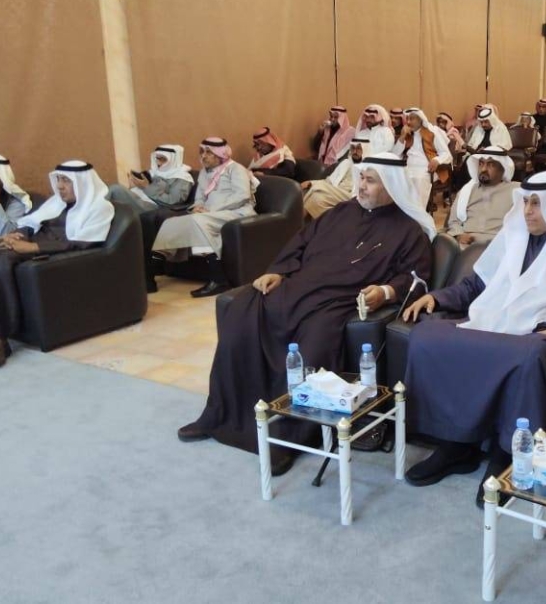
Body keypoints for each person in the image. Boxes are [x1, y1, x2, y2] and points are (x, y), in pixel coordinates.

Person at [177, 153, 435, 468]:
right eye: (361, 178)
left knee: (316, 340)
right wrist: (278, 271)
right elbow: (299, 243)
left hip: (338, 300)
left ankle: (288, 438)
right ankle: (218, 413)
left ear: (392, 186)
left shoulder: (409, 230)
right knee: (242, 311)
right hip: (300, 285)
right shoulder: (340, 212)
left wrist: (384, 292)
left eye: (370, 181)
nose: (361, 186)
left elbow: (415, 278)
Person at [400, 169, 546, 505]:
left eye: (537, 203)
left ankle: (507, 455)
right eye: (525, 202)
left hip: (536, 330)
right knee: (425, 337)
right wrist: (437, 297)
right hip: (493, 320)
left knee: (527, 356)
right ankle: (455, 443)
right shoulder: (513, 234)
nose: (528, 211)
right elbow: (476, 285)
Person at [0, 160, 113, 369]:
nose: (60, 186)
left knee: (0, 263)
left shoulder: (99, 207)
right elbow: (32, 222)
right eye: (59, 179)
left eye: (66, 181)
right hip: (31, 244)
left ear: (82, 183)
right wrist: (17, 235)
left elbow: (82, 242)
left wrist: (33, 247)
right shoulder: (56, 203)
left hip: (50, 253)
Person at [149, 137, 258, 297]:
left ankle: (218, 279)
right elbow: (200, 196)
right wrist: (198, 206)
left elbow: (242, 196)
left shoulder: (236, 169)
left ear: (220, 154)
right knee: (172, 222)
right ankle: (151, 272)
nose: (203, 156)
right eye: (202, 152)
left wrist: (210, 210)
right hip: (209, 213)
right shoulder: (203, 173)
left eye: (208, 153)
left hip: (237, 211)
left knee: (198, 221)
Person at [446, 147, 518, 247]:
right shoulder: (467, 191)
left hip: (499, 244)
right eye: (481, 164)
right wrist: (459, 235)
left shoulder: (516, 191)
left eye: (491, 165)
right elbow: (454, 221)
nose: (483, 169)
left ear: (503, 169)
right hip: (466, 244)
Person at [391, 107, 452, 208]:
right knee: (397, 179)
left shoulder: (432, 132)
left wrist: (437, 160)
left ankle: (419, 212)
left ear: (420, 119)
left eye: (412, 119)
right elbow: (395, 155)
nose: (408, 122)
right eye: (407, 119)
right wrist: (402, 137)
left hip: (428, 169)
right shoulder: (407, 133)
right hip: (408, 168)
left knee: (419, 179)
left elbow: (446, 154)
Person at [108, 144, 194, 215]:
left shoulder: (182, 177)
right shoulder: (154, 172)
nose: (158, 163)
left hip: (152, 205)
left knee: (116, 189)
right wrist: (133, 186)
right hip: (139, 198)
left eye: (163, 159)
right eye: (157, 158)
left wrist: (146, 187)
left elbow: (173, 201)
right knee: (112, 200)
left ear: (173, 160)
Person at [301, 137, 369, 219]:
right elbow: (329, 181)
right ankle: (324, 223)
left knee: (315, 190)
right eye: (353, 148)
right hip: (335, 191)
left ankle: (298, 222)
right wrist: (311, 182)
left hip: (351, 196)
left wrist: (314, 184)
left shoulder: (367, 169)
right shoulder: (345, 163)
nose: (355, 152)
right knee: (314, 196)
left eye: (358, 149)